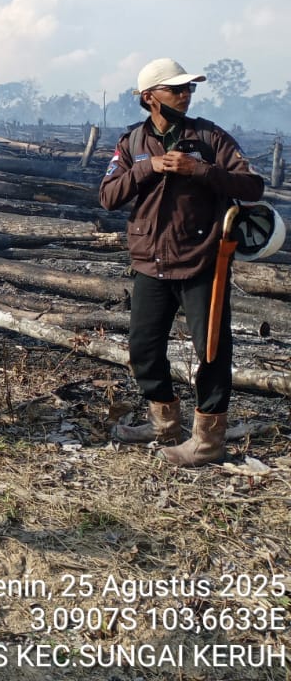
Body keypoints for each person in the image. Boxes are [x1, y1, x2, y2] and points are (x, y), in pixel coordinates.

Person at [99, 58, 264, 466]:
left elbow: (252, 186)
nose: (186, 95)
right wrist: (149, 169)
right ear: (150, 98)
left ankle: (208, 442)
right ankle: (164, 425)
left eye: (189, 89)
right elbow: (108, 195)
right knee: (143, 349)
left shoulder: (211, 137)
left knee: (211, 352)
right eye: (177, 89)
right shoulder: (132, 144)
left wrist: (200, 170)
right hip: (149, 261)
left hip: (202, 260)